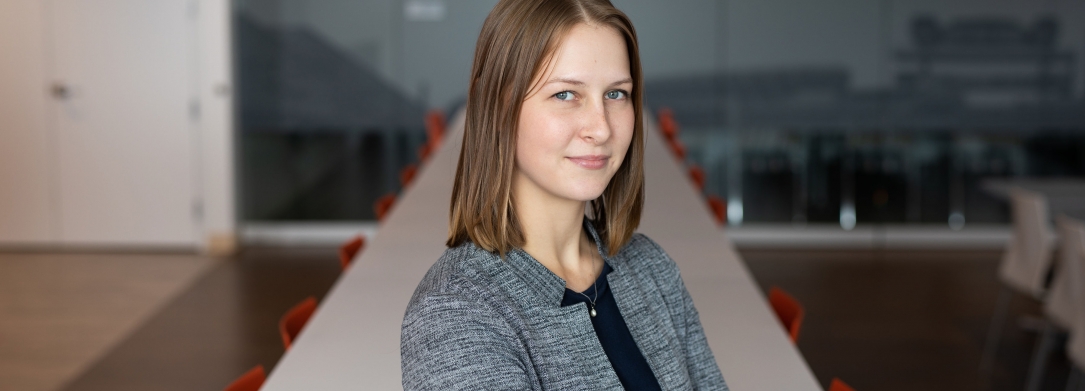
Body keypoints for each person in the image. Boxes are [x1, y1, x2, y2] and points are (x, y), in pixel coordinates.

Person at [400, 0, 728, 389]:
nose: (601, 128)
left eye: (616, 94)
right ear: (499, 108)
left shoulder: (652, 269)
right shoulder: (456, 315)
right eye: (566, 94)